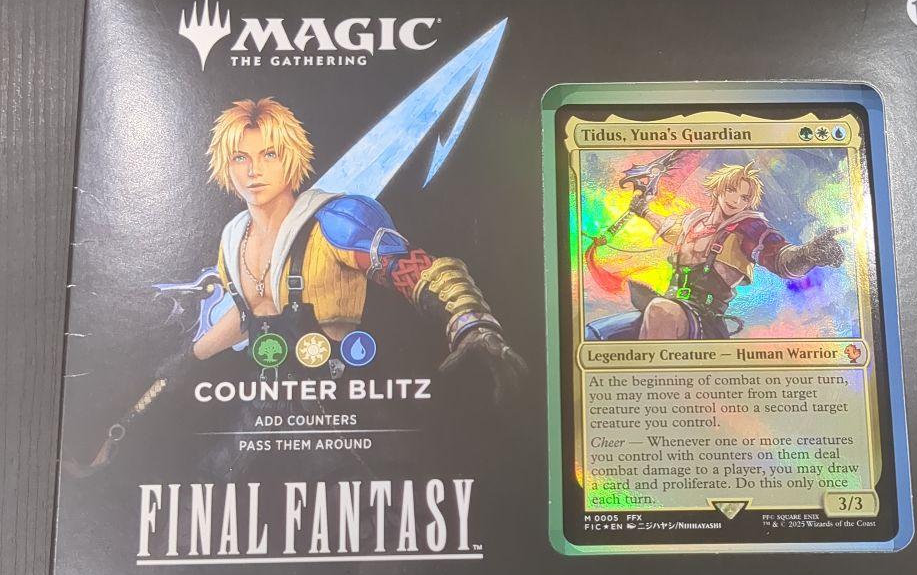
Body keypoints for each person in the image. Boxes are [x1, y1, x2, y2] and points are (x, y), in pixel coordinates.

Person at [84, 97, 524, 470]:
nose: (253, 170)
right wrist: (170, 377)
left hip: (342, 406)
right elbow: (248, 313)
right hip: (265, 407)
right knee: (210, 488)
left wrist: (469, 322)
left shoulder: (336, 221)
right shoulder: (233, 238)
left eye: (269, 155)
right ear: (226, 165)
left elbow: (414, 269)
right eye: (241, 157)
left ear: (291, 158)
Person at [587, 161, 844, 341]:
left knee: (660, 311)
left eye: (744, 197)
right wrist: (643, 209)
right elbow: (668, 228)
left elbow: (780, 259)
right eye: (731, 190)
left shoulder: (749, 228)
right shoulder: (694, 224)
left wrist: (808, 254)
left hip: (704, 319)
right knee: (596, 334)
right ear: (719, 189)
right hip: (669, 308)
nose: (735, 200)